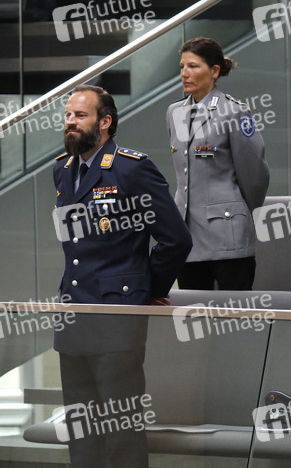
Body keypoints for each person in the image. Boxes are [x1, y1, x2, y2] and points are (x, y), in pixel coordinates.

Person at [52, 85, 192, 468]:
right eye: (68, 115)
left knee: (121, 434)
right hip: (73, 317)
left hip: (116, 315)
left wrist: (149, 290)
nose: (70, 122)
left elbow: (176, 239)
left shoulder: (131, 167)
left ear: (105, 122)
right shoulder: (62, 169)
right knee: (82, 433)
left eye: (80, 116)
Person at [166, 37, 269, 290]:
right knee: (192, 310)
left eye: (193, 66)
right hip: (188, 236)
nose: (185, 73)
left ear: (214, 71)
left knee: (234, 311)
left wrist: (239, 213)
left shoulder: (233, 112)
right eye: (182, 66)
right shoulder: (174, 112)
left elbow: (255, 175)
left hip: (227, 233)